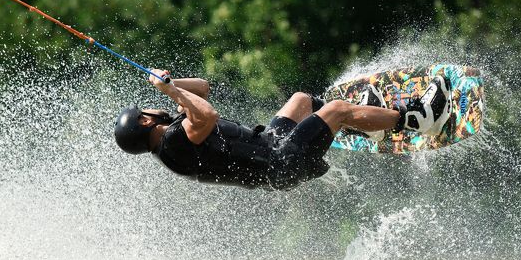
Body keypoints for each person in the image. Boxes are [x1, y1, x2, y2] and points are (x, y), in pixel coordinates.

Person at [114, 69, 450, 190]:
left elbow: (202, 89)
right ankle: (418, 117)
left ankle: (365, 123)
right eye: (146, 109)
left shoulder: (172, 132)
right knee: (335, 108)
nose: (152, 106)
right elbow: (208, 113)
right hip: (281, 163)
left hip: (271, 143)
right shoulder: (175, 145)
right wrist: (171, 90)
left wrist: (172, 81)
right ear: (146, 121)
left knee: (302, 100)